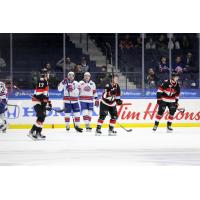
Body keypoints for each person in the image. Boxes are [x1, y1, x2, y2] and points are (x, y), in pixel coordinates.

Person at [28, 68, 52, 140]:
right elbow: (39, 94)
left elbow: (45, 95)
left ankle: (38, 133)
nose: (48, 75)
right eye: (47, 74)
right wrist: (45, 103)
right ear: (45, 74)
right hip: (37, 102)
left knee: (42, 117)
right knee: (41, 116)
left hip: (40, 102)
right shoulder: (42, 81)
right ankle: (31, 132)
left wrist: (48, 103)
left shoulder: (45, 81)